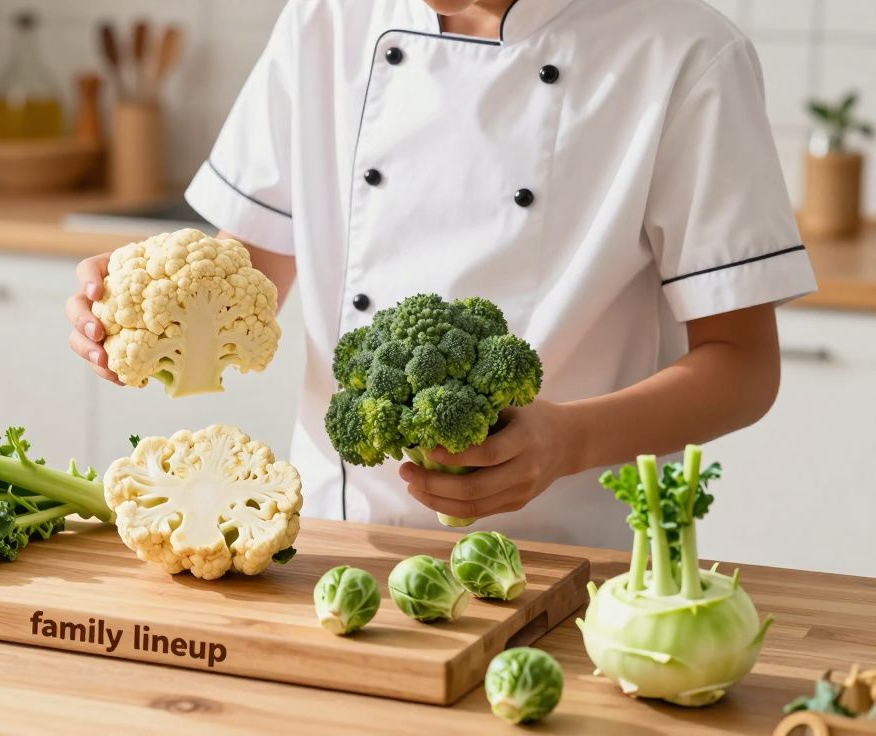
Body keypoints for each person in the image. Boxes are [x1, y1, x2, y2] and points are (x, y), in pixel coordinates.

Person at [64, 0, 817, 548]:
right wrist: (151, 313)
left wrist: (567, 442)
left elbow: (743, 367)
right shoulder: (325, 21)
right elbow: (247, 273)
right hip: (329, 541)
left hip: (567, 561)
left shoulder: (684, 53)